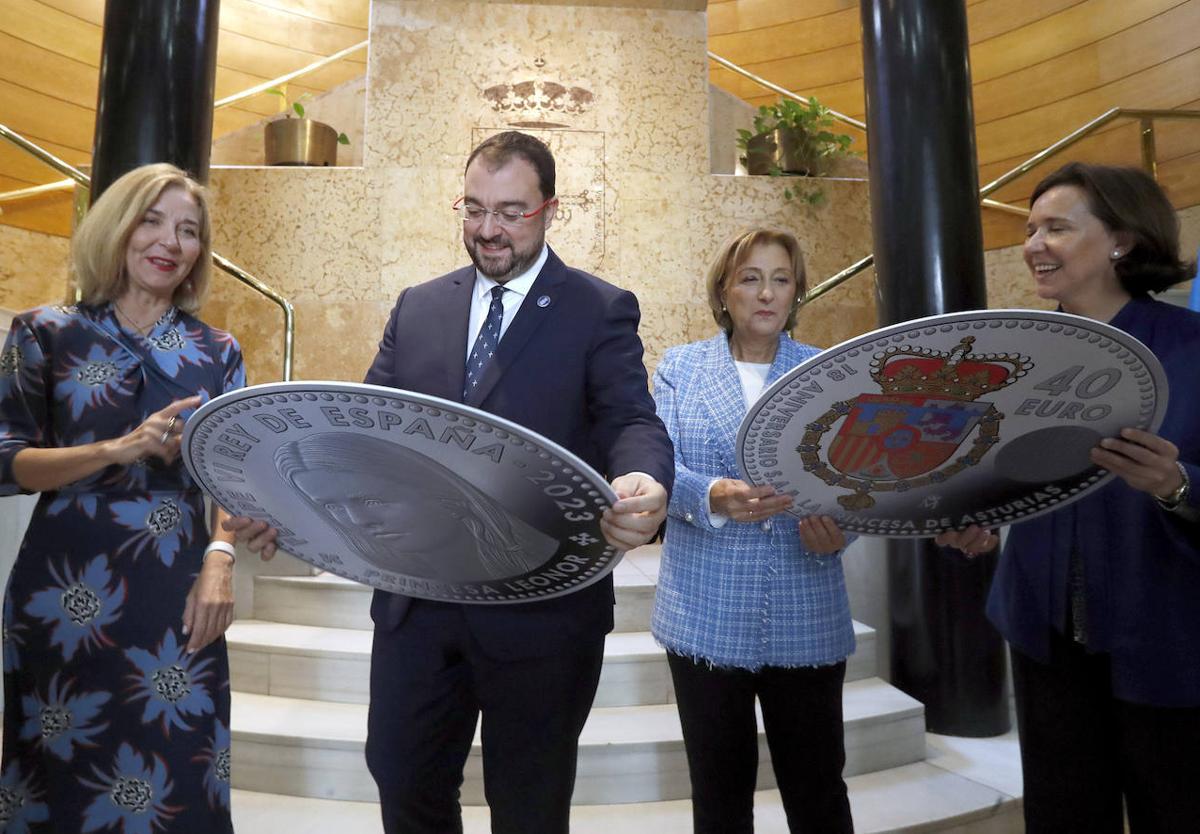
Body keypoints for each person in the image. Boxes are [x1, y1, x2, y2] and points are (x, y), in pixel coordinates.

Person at [227, 131, 673, 834]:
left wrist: (643, 478)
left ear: (551, 210)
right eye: (474, 208)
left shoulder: (598, 307)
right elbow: (366, 434)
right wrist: (286, 506)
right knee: (402, 778)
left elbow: (629, 418)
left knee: (529, 804)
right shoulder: (420, 306)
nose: (488, 229)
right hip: (417, 605)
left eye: (511, 211)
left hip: (541, 610)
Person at [938, 162, 1200, 833]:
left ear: (1121, 241)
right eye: (1029, 229)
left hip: (1168, 638)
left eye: (1056, 227)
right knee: (1062, 816)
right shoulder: (1014, 358)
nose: (1032, 244)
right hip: (1043, 633)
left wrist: (1177, 485)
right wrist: (980, 520)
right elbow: (995, 476)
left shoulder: (1192, 349)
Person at [0, 163, 245, 832]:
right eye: (152, 220)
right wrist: (116, 449)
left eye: (189, 230)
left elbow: (236, 475)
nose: (170, 241)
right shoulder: (43, 332)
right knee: (58, 785)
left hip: (177, 589)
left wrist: (221, 558)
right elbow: (6, 461)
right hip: (63, 591)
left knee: (183, 776)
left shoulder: (218, 352)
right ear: (117, 228)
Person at [651, 227, 856, 833]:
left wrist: (841, 530)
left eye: (781, 279)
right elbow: (659, 465)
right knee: (718, 797)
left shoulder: (827, 374)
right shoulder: (679, 368)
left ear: (797, 293)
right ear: (724, 290)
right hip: (703, 611)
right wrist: (709, 494)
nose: (766, 293)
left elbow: (858, 480)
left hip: (806, 605)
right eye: (750, 278)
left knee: (818, 789)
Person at [274, 432, 555, 582]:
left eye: (372, 501)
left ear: (445, 492)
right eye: (332, 507)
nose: (358, 520)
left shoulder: (534, 553)